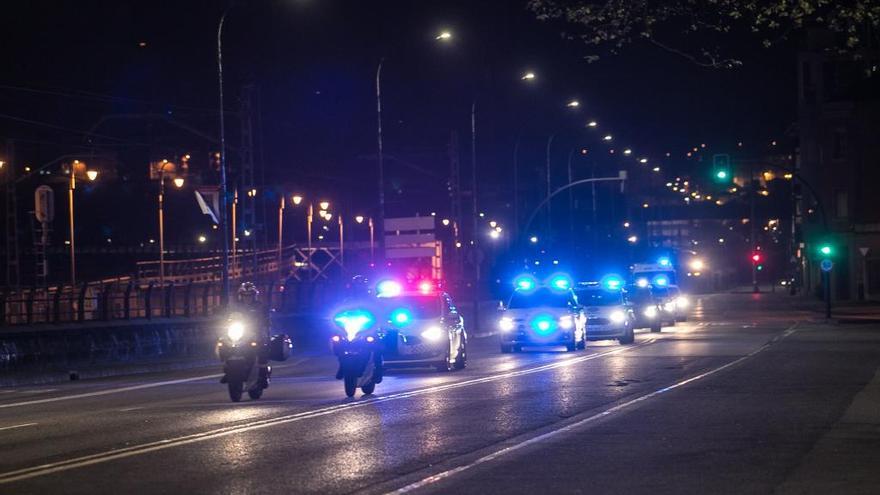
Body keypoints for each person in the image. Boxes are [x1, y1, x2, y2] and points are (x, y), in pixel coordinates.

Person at [230, 282, 272, 388]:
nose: (247, 298)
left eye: (250, 296)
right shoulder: (235, 307)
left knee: (262, 345)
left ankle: (263, 373)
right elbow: (227, 316)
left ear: (254, 296)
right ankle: (229, 370)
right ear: (241, 296)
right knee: (224, 342)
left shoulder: (260, 306)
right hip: (241, 331)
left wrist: (265, 321)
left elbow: (266, 317)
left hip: (256, 331)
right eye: (245, 296)